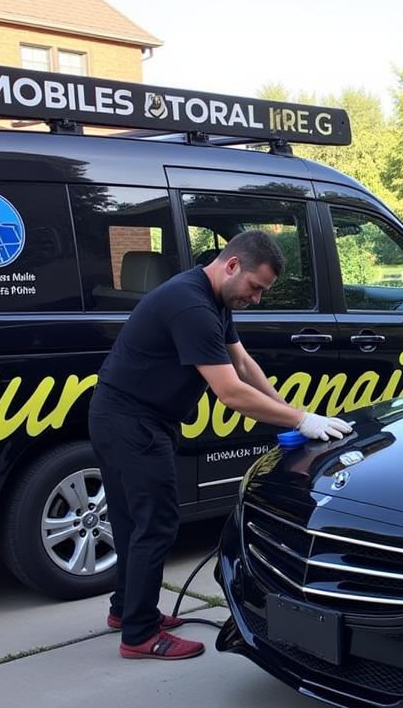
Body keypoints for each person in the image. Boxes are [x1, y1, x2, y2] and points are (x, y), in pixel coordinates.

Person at [88, 231, 351, 661]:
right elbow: (229, 392)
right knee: (155, 523)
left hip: (123, 417)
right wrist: (302, 420)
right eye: (256, 288)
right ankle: (138, 634)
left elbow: (244, 364)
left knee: (131, 520)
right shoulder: (191, 306)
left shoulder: (213, 298)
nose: (258, 299)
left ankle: (127, 610)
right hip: (131, 423)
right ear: (232, 266)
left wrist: (291, 412)